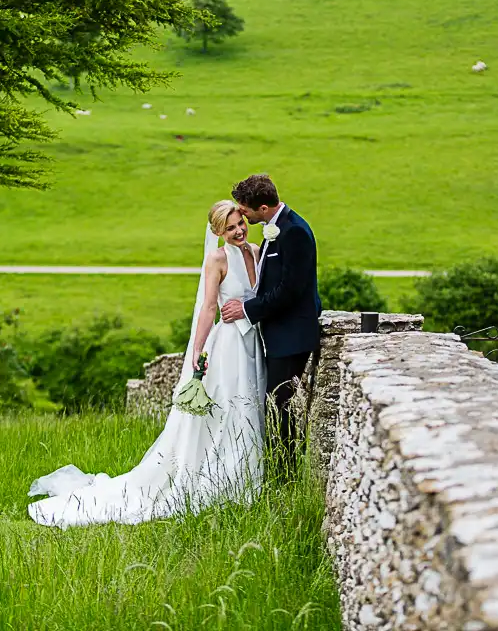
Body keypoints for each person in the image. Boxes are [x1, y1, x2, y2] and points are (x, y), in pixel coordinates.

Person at [27, 201, 266, 527]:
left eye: (240, 223)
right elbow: (209, 308)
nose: (239, 231)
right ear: (218, 232)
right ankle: (225, 482)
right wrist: (196, 352)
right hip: (227, 348)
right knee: (228, 408)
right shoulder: (217, 259)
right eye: (230, 228)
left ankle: (251, 479)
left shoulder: (255, 249)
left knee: (251, 406)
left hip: (252, 342)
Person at [220, 174, 320, 472]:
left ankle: (285, 473)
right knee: (276, 406)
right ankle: (278, 469)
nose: (243, 215)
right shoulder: (275, 229)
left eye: (245, 210)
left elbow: (290, 291)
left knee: (281, 407)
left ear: (262, 208)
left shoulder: (294, 232)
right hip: (279, 335)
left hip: (292, 337)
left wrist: (247, 310)